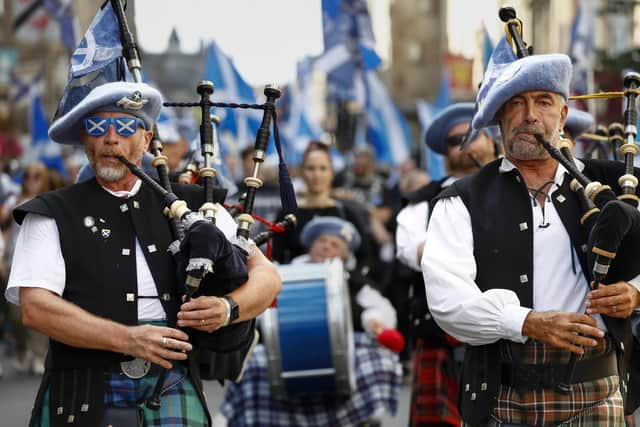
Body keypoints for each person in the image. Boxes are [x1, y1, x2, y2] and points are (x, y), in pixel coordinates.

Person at [4, 81, 281, 427]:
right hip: (81, 388)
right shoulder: (50, 212)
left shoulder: (196, 205)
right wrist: (129, 338)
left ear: (146, 140)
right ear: (84, 140)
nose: (110, 138)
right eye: (97, 127)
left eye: (123, 126)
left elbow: (267, 277)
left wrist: (228, 308)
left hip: (171, 377)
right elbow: (35, 309)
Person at [422, 39, 640, 426]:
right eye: (516, 103)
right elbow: (447, 302)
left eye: (543, 101)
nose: (530, 115)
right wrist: (527, 322)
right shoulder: (461, 201)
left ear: (563, 113)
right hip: (503, 396)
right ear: (499, 117)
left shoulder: (616, 183)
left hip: (599, 388)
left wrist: (636, 290)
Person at [221, 216, 403, 426]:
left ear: (346, 254)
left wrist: (374, 321)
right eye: (322, 241)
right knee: (249, 364)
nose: (326, 247)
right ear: (310, 244)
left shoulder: (357, 282)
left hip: (341, 349)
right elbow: (261, 308)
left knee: (377, 357)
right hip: (284, 350)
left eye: (335, 244)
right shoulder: (281, 274)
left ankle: (361, 418)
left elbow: (380, 309)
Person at [395, 103, 498, 427]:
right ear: (444, 155)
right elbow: (415, 251)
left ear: (493, 141)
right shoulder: (421, 204)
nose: (466, 144)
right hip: (443, 340)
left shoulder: (523, 190)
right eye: (456, 140)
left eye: (474, 135)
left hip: (512, 338)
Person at [272, 141, 374, 273]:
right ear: (302, 171)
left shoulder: (347, 212)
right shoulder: (287, 214)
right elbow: (276, 257)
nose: (317, 175)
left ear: (332, 172)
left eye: (322, 168)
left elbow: (365, 257)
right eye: (311, 168)